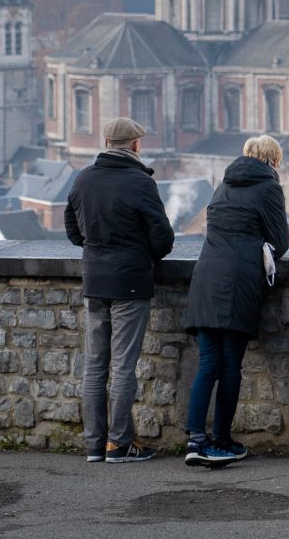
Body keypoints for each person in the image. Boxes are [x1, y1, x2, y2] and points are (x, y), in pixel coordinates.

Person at [65, 116, 175, 464]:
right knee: (124, 366)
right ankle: (119, 443)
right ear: (135, 145)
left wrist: (95, 247)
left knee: (95, 365)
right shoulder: (140, 182)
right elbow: (163, 237)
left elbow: (72, 229)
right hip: (129, 280)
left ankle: (94, 445)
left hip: (93, 279)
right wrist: (142, 253)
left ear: (107, 143)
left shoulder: (83, 179)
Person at [182, 134, 289, 467]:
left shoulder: (222, 186)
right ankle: (221, 440)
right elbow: (281, 241)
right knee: (230, 366)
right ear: (273, 161)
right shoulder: (269, 188)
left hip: (205, 279)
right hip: (238, 282)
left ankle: (195, 439)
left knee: (207, 364)